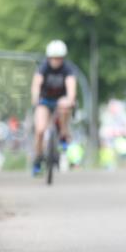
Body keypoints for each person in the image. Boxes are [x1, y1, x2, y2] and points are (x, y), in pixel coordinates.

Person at [30, 40, 78, 176]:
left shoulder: (67, 69)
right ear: (49, 58)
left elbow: (71, 87)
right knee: (40, 130)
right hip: (44, 100)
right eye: (53, 58)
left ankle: (63, 133)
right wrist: (35, 98)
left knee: (64, 106)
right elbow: (36, 84)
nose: (56, 61)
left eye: (59, 58)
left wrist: (71, 99)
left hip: (60, 100)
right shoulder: (43, 68)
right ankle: (38, 159)